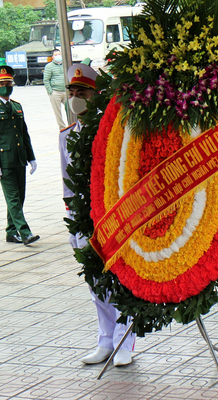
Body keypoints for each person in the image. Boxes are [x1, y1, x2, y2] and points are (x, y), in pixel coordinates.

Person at [59, 62, 136, 366]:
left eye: (83, 92)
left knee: (119, 280)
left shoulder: (113, 130)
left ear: (97, 96)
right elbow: (66, 180)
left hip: (111, 215)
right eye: (73, 92)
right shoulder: (67, 134)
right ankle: (105, 339)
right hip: (82, 217)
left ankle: (125, 341)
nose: (77, 97)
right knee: (95, 283)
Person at [0, 66, 39, 245]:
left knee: (19, 197)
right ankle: (25, 232)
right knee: (13, 198)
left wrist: (31, 157)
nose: (5, 86)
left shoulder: (16, 106)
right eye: (1, 83)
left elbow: (24, 134)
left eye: (8, 83)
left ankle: (11, 232)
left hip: (19, 159)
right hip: (3, 162)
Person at [43, 49, 68, 130]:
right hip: (55, 92)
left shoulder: (65, 65)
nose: (58, 56)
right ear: (53, 57)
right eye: (56, 55)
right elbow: (46, 80)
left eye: (59, 54)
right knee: (58, 112)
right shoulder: (49, 66)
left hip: (66, 92)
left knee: (70, 109)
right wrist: (50, 92)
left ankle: (72, 124)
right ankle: (62, 127)